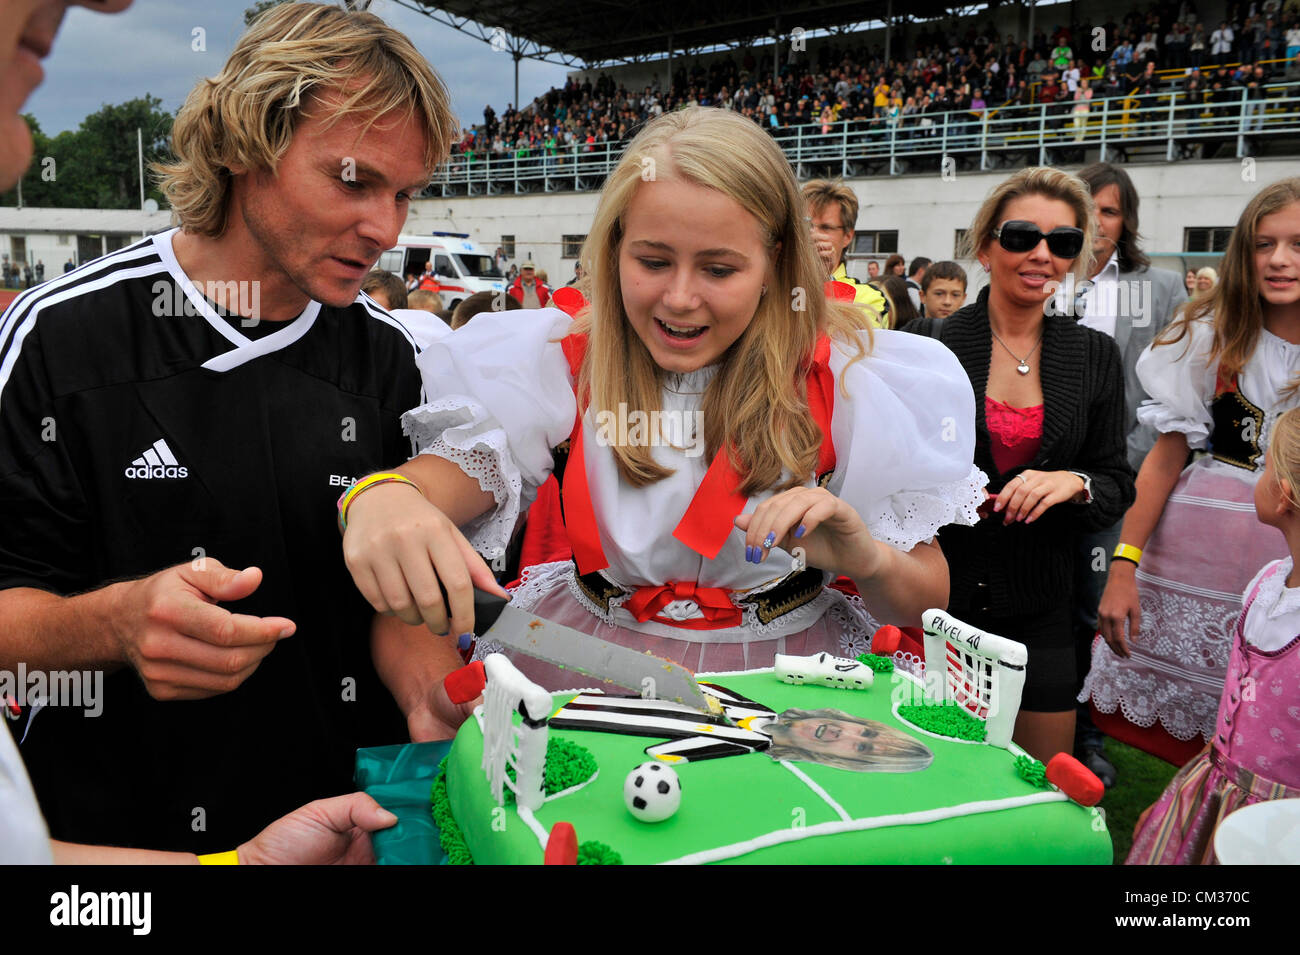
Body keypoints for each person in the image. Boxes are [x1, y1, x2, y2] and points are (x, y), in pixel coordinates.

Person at [0, 2, 477, 854]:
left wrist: (423, 693)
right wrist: (115, 624)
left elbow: (392, 599)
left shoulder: (391, 357)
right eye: (354, 179)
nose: (387, 229)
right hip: (114, 845)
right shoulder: (60, 336)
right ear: (238, 144)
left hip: (338, 830)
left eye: (405, 194)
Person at [338, 106, 985, 687]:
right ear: (614, 247)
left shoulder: (845, 377)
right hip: (588, 664)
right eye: (652, 261)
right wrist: (386, 496)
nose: (679, 297)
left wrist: (867, 557)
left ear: (775, 262)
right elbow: (436, 483)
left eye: (719, 269)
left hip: (785, 679)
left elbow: (927, 602)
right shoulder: (562, 358)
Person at [902, 167, 1137, 763]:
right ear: (985, 246)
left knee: (1045, 786)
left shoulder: (1094, 356)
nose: (1041, 255)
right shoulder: (930, 346)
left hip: (1043, 606)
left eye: (1062, 243)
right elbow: (891, 483)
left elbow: (1116, 482)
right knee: (938, 778)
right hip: (938, 605)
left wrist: (1075, 483)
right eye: (1022, 236)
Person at [1083, 178, 1300, 764]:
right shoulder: (1210, 332)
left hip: (1290, 565)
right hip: (1194, 563)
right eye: (1263, 244)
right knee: (1199, 743)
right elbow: (1164, 456)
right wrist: (1123, 566)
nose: (1279, 260)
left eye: (1298, 244)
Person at [1127, 406, 1300, 864]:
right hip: (1215, 785)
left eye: (1263, 465)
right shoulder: (1267, 584)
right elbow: (1237, 707)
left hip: (1279, 830)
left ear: (1283, 495)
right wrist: (1183, 792)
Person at [1070, 162, 1188, 785]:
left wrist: (1132, 469)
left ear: (1127, 221)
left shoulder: (1163, 287)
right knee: (1045, 603)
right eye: (1086, 209)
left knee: (1095, 610)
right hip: (1044, 474)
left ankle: (1087, 735)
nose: (1096, 223)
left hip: (1125, 475)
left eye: (1110, 211)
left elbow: (1177, 388)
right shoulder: (1046, 274)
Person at [801, 179, 890, 328]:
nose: (812, 234)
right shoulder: (778, 286)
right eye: (806, 225)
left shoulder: (868, 296)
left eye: (825, 227)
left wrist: (823, 279)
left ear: (847, 236)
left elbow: (855, 346)